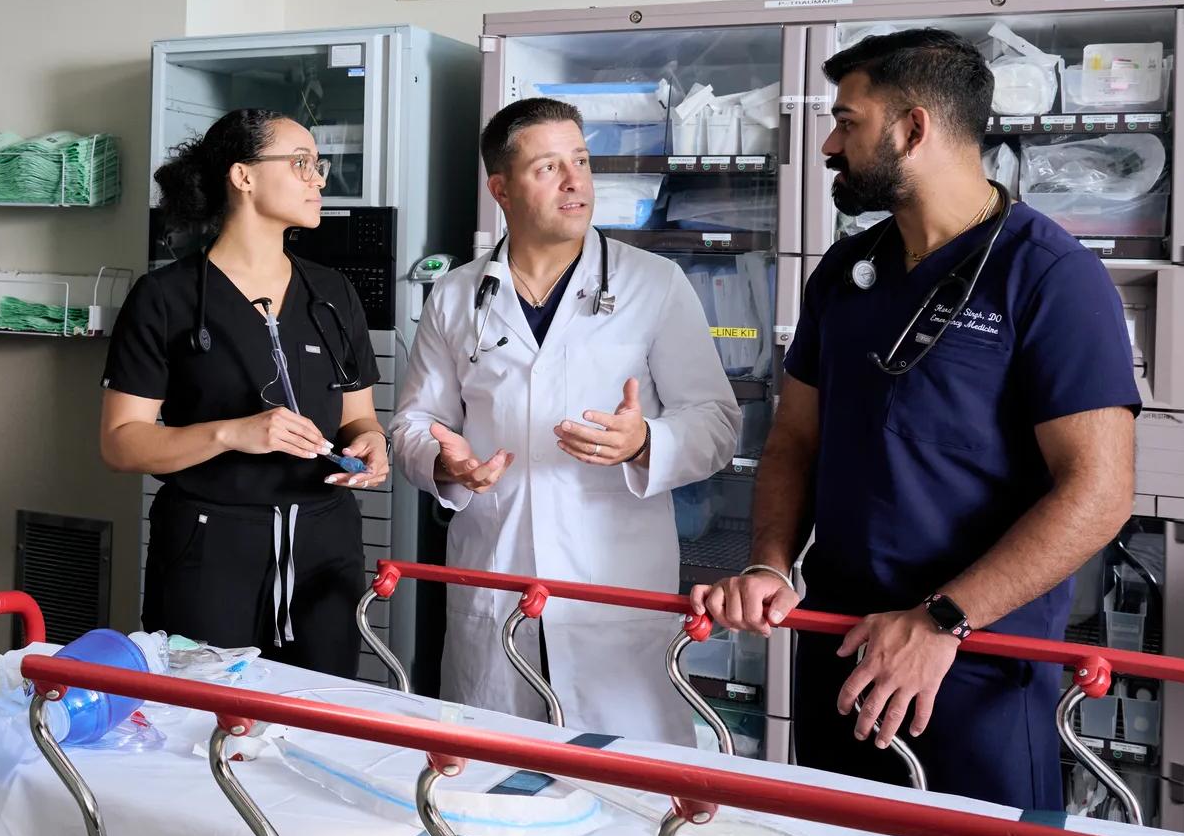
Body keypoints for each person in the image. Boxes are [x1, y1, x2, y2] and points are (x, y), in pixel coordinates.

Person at [693, 28, 1138, 810]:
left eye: (847, 121)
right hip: (837, 645)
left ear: (913, 129)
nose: (830, 144)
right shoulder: (846, 271)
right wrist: (769, 563)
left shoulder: (1050, 278)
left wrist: (940, 622)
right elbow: (796, 440)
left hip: (970, 664)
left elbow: (1098, 492)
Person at [391, 97, 741, 745]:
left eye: (580, 160)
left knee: (626, 791)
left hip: (611, 589)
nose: (575, 180)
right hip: (496, 584)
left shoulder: (654, 284)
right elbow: (415, 422)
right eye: (548, 166)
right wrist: (446, 462)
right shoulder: (457, 295)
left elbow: (717, 423)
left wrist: (645, 443)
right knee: (489, 786)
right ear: (500, 188)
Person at [99, 108, 390, 677]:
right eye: (301, 163)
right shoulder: (165, 297)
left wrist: (372, 444)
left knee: (319, 718)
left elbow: (360, 419)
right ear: (244, 176)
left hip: (324, 547)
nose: (319, 179)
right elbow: (120, 443)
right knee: (197, 724)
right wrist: (234, 432)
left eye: (318, 165)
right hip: (210, 549)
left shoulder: (332, 293)